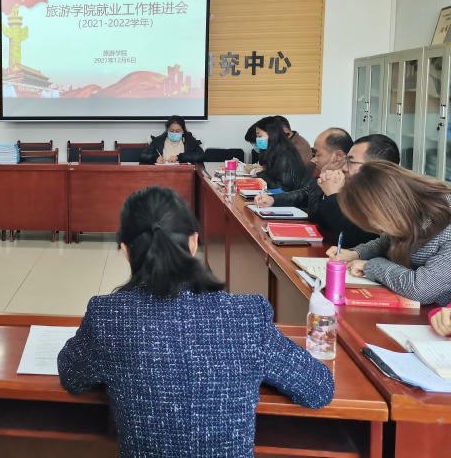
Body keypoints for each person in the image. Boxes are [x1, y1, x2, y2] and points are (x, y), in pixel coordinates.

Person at [58, 186, 333, 458]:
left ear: (126, 251)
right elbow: (318, 389)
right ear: (193, 242)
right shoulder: (247, 316)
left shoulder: (108, 316)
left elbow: (72, 376)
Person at [328, 161, 451, 306]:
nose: (372, 226)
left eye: (370, 220)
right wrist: (356, 254)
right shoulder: (409, 210)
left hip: (436, 313)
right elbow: (387, 241)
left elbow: (422, 289)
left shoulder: (446, 222)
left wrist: (371, 266)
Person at [253, 128, 377, 246]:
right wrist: (274, 199)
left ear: (338, 156)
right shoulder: (335, 174)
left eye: (318, 154)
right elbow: (305, 193)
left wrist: (323, 180)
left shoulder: (357, 186)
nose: (314, 159)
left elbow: (315, 215)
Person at [248, 116, 309, 192]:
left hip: (287, 198)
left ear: (272, 134)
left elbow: (281, 190)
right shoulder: (274, 153)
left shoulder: (285, 156)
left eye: (260, 136)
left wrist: (262, 175)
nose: (257, 140)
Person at [138, 115, 205, 164]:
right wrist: (155, 158)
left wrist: (179, 157)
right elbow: (143, 155)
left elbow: (201, 155)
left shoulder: (189, 141)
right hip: (162, 172)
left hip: (184, 173)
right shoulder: (158, 141)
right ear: (167, 130)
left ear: (183, 131)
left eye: (178, 131)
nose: (174, 133)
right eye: (171, 131)